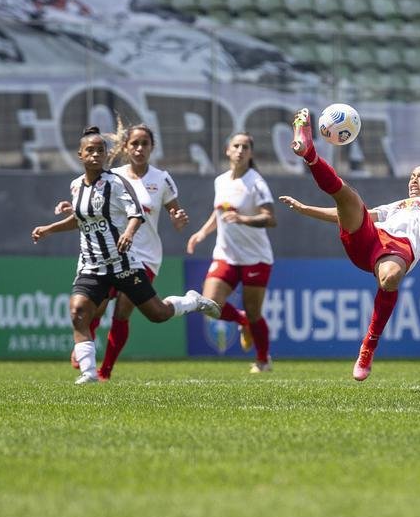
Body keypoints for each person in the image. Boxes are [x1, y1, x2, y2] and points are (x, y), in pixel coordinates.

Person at [278, 108, 420, 381]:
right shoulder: (396, 205)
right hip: (368, 239)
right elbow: (352, 214)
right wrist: (306, 209)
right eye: (412, 175)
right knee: (349, 197)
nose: (414, 179)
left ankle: (368, 346)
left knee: (390, 277)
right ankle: (309, 153)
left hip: (397, 249)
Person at [32, 125, 219, 384]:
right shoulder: (76, 186)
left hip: (124, 263)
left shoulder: (118, 182)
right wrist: (49, 229)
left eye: (100, 150)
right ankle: (90, 373)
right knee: (79, 311)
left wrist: (129, 233)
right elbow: (81, 218)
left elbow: (137, 214)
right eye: (90, 150)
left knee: (156, 314)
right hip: (92, 265)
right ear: (80, 154)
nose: (96, 155)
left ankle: (191, 302)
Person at [56, 121, 189, 381]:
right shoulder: (111, 176)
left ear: (152, 147)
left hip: (145, 255)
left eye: (145, 144)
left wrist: (178, 220)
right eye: (134, 144)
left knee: (124, 309)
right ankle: (85, 348)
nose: (139, 149)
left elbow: (175, 213)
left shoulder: (161, 179)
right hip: (108, 254)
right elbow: (92, 208)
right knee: (95, 307)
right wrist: (72, 210)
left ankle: (104, 371)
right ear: (125, 147)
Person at [186, 132, 278, 373]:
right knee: (208, 304)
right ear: (227, 150)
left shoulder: (256, 183)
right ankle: (242, 320)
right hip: (226, 254)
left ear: (251, 153)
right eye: (236, 146)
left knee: (255, 312)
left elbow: (270, 218)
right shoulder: (221, 181)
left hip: (256, 258)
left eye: (245, 147)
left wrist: (242, 219)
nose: (240, 150)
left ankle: (263, 360)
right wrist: (202, 233)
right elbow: (219, 212)